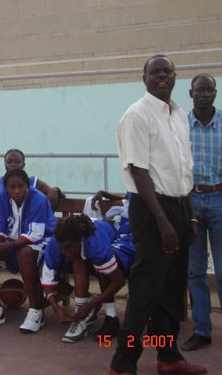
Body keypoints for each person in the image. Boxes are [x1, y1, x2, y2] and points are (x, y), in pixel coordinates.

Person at [109, 55, 207, 375]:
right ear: (144, 77)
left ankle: (167, 358)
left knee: (171, 288)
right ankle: (122, 364)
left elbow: (183, 171)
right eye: (155, 72)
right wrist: (162, 220)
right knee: (147, 288)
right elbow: (138, 171)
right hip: (152, 210)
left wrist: (189, 216)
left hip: (179, 207)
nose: (162, 76)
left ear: (175, 76)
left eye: (167, 71)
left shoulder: (178, 114)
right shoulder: (137, 115)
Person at [0, 168, 55, 333]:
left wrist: (4, 246)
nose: (17, 191)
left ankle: (36, 311)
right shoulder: (1, 199)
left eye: (21, 186)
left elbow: (35, 235)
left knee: (25, 253)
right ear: (6, 188)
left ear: (27, 185)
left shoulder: (38, 199)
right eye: (12, 187)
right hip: (13, 242)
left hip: (43, 241)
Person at [182, 74, 222, 352]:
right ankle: (202, 330)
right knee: (195, 271)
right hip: (190, 201)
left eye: (210, 90)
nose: (205, 94)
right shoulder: (180, 126)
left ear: (215, 93)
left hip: (220, 199)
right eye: (200, 90)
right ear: (191, 93)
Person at [53, 214, 135, 343]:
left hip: (120, 241)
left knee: (103, 268)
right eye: (63, 249)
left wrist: (90, 305)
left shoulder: (97, 248)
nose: (67, 252)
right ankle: (91, 316)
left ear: (80, 240)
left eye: (70, 248)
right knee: (83, 261)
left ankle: (111, 318)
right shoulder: (63, 237)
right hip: (95, 245)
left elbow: (118, 281)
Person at [0, 148, 64, 210]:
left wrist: (55, 190)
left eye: (17, 162)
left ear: (23, 165)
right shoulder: (2, 181)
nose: (13, 165)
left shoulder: (33, 181)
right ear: (5, 165)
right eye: (9, 162)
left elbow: (59, 195)